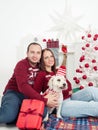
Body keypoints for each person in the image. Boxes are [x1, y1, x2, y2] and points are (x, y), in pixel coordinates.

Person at [0, 42, 58, 124]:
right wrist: (44, 100)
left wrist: (48, 95)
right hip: (14, 93)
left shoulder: (41, 67)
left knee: (43, 113)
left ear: (41, 55)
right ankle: (13, 114)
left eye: (38, 53)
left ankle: (17, 114)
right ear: (27, 53)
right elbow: (23, 86)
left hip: (30, 97)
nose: (35, 55)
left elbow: (45, 86)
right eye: (32, 52)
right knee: (8, 116)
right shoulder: (21, 64)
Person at [33, 48, 72, 114]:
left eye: (51, 56)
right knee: (93, 106)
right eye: (46, 57)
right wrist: (45, 99)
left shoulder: (57, 71)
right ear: (42, 61)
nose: (50, 59)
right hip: (61, 104)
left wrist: (65, 56)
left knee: (91, 91)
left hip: (70, 96)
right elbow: (35, 94)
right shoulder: (41, 74)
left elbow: (68, 85)